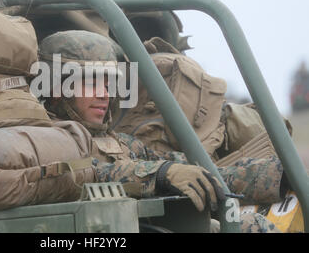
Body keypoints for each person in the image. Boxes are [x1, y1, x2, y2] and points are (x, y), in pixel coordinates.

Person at [38, 30, 285, 233]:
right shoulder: (42, 140)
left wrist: (275, 175)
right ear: (58, 88)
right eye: (92, 82)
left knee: (250, 225)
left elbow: (196, 172)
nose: (105, 94)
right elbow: (84, 174)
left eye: (107, 83)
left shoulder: (120, 143)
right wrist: (161, 175)